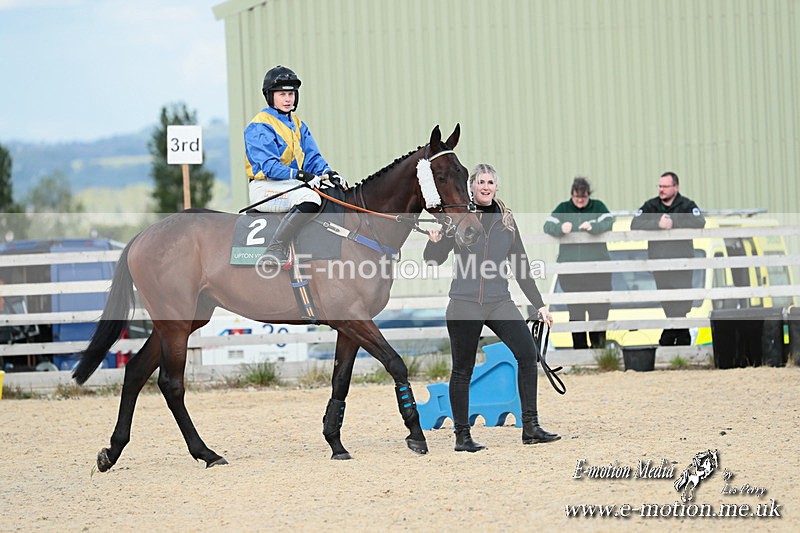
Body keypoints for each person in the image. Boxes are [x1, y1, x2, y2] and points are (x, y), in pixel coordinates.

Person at [424, 163, 560, 452]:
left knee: (527, 353)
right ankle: (462, 436)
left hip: (499, 301)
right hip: (465, 302)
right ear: (471, 187)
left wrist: (539, 305)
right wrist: (434, 243)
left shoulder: (506, 221)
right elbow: (433, 260)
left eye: (490, 182)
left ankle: (531, 426)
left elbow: (521, 266)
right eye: (480, 182)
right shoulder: (459, 218)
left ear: (496, 187)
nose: (485, 186)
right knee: (463, 369)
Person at [244, 65, 345, 268]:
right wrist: (301, 175)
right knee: (310, 198)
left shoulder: (297, 123)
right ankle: (275, 249)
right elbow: (269, 166)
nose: (288, 99)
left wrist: (329, 173)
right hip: (265, 188)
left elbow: (312, 157)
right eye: (282, 94)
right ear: (270, 96)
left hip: (290, 185)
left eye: (291, 94)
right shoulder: (259, 125)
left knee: (332, 194)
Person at [631, 171, 705, 346]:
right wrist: (657, 224)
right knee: (668, 304)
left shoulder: (687, 205)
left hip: (682, 265)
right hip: (660, 264)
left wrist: (674, 223)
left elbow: (699, 222)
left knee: (681, 304)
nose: (661, 190)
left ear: (676, 187)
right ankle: (679, 337)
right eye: (660, 186)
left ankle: (670, 338)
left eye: (665, 186)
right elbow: (635, 223)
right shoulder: (651, 206)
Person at [544, 177, 614, 349]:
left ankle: (599, 350)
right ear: (572, 195)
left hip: (598, 273)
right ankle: (580, 350)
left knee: (599, 311)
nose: (580, 201)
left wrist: (594, 226)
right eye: (577, 198)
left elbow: (609, 221)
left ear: (588, 195)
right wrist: (561, 228)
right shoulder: (563, 208)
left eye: (583, 198)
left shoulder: (598, 207)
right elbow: (547, 225)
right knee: (576, 312)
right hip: (571, 274)